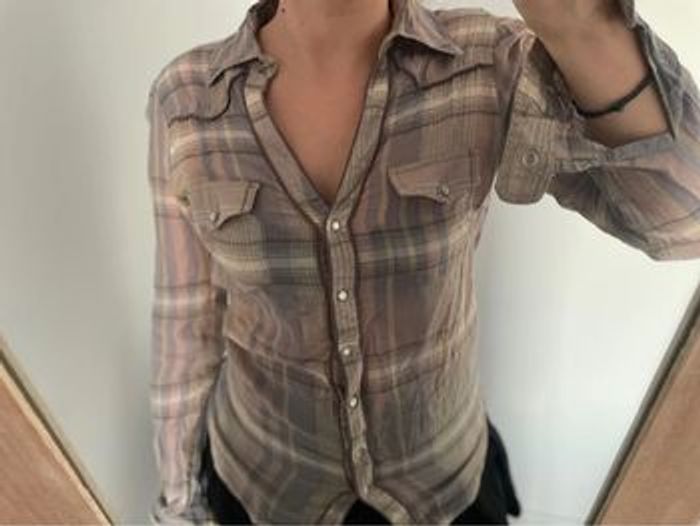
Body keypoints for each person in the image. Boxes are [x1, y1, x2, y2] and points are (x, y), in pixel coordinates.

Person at [145, 0, 700, 523]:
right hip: (265, 482)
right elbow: (185, 315)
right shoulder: (187, 98)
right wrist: (178, 501)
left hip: (442, 482)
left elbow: (684, 224)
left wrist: (580, 25)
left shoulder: (485, 63)